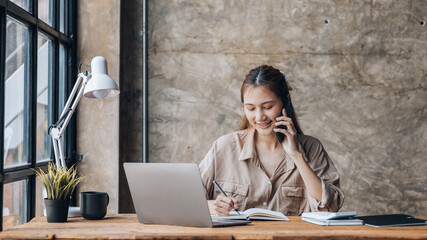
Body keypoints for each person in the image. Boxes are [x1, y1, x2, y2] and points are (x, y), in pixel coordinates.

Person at [199, 65, 344, 216]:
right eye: (251, 109)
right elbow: (186, 201)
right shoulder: (224, 147)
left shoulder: (312, 148)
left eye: (267, 107)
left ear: (285, 101)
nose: (260, 117)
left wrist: (296, 155)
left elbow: (329, 208)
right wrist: (211, 206)